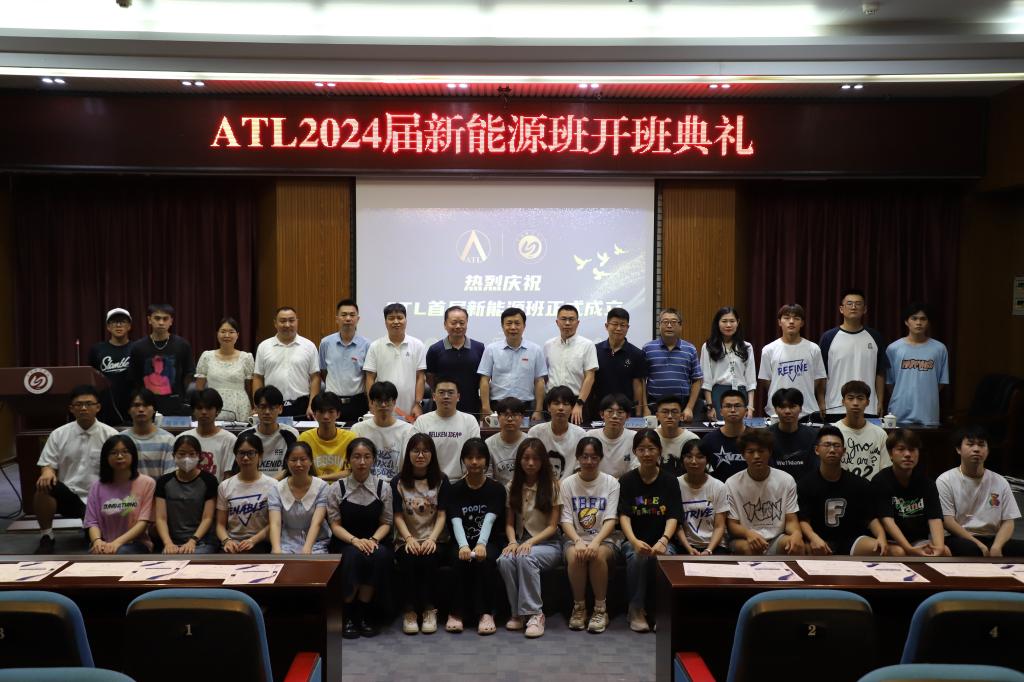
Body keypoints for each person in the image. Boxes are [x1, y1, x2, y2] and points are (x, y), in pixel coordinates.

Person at [34, 385, 119, 553]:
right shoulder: (59, 434)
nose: (84, 408)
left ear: (98, 407)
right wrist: (47, 471)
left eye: (89, 404)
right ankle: (47, 536)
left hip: (101, 498)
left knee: (94, 542)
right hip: (70, 496)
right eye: (79, 404)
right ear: (71, 408)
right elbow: (47, 464)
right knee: (43, 486)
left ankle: (92, 527)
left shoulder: (111, 435)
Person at [327, 438, 394, 638]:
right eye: (356, 457)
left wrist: (372, 540)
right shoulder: (337, 488)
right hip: (346, 540)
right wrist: (355, 541)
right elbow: (335, 525)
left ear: (373, 460)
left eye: (367, 457)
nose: (362, 462)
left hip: (375, 539)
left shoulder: (383, 487)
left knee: (379, 555)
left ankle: (364, 614)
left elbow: (386, 522)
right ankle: (348, 614)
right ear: (348, 460)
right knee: (353, 556)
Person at [617, 429, 682, 633]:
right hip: (633, 540)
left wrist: (664, 540)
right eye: (642, 449)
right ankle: (635, 609)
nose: (646, 454)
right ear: (635, 452)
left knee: (666, 557)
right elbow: (624, 516)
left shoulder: (670, 481)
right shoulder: (627, 480)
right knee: (638, 557)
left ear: (659, 451)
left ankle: (662, 611)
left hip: (663, 540)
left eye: (651, 449)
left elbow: (673, 515)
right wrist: (634, 541)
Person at [498, 438, 563, 638]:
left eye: (536, 459)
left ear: (543, 461)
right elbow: (509, 524)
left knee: (526, 556)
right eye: (526, 458)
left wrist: (529, 543)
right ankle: (517, 613)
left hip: (548, 544)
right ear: (519, 460)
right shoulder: (512, 486)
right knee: (504, 560)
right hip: (519, 541)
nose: (531, 463)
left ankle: (535, 613)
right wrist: (512, 542)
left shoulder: (552, 486)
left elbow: (553, 526)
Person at [446, 438, 507, 636]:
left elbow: (490, 519)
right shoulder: (454, 489)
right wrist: (464, 546)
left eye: (479, 457)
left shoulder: (496, 489)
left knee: (485, 559)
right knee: (458, 559)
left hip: (490, 541)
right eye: (470, 457)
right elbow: (455, 520)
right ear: (463, 460)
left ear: (486, 461)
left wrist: (481, 544)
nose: (474, 462)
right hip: (460, 541)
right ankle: (456, 613)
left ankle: (486, 613)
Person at [560, 437, 621, 634]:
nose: (589, 461)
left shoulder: (611, 483)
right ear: (578, 458)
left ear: (600, 458)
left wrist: (595, 542)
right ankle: (579, 608)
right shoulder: (567, 483)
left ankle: (600, 610)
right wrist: (578, 540)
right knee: (576, 555)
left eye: (594, 457)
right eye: (584, 457)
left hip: (605, 539)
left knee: (597, 555)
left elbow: (610, 519)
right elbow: (565, 520)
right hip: (574, 538)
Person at [392, 434, 451, 635]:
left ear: (432, 454)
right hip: (406, 539)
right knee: (409, 559)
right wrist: (409, 539)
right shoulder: (398, 481)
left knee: (428, 558)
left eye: (425, 451)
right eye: (415, 451)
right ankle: (409, 611)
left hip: (435, 538)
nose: (420, 455)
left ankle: (428, 609)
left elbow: (442, 515)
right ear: (408, 453)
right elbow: (397, 516)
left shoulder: (441, 480)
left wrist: (432, 539)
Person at [798, 425, 886, 556]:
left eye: (837, 446)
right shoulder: (805, 484)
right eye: (827, 445)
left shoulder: (859, 484)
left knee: (882, 549)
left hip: (851, 540)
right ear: (817, 450)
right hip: (819, 541)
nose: (832, 450)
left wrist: (881, 536)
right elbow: (804, 520)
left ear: (844, 451)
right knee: (798, 549)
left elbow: (870, 518)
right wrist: (813, 538)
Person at [937, 426, 1024, 557]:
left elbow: (1008, 521)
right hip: (960, 538)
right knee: (972, 550)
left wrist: (997, 546)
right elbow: (948, 521)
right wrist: (978, 544)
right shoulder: (945, 480)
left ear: (988, 450)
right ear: (958, 449)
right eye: (970, 444)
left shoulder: (1000, 481)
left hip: (992, 538)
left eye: (981, 445)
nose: (976, 449)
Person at [871, 429, 950, 557]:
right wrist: (908, 548)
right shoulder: (880, 481)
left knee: (945, 551)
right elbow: (887, 521)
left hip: (918, 540)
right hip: (890, 540)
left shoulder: (927, 483)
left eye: (912, 449)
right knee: (900, 552)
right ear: (890, 453)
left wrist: (939, 548)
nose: (907, 454)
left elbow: (935, 518)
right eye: (901, 449)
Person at [725, 430, 804, 555]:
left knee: (795, 545)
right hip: (745, 538)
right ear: (743, 454)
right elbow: (732, 525)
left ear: (770, 452)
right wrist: (749, 534)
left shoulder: (786, 480)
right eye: (751, 452)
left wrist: (796, 534)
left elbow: (791, 520)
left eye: (761, 451)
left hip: (776, 538)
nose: (756, 456)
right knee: (749, 549)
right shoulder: (732, 483)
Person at [820, 289, 888, 418]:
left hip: (868, 407)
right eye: (849, 303)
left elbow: (880, 373)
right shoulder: (828, 337)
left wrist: (880, 401)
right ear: (841, 309)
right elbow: (821, 374)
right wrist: (821, 401)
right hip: (835, 407)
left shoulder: (875, 337)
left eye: (858, 304)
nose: (853, 307)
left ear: (865, 309)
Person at [84, 434, 155, 554]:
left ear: (133, 455)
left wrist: (116, 543)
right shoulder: (97, 486)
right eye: (114, 453)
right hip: (105, 543)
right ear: (106, 457)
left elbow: (143, 522)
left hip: (136, 543)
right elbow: (92, 522)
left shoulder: (147, 483)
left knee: (119, 552)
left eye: (125, 452)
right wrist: (97, 541)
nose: (120, 456)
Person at [478, 307, 548, 423]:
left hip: (526, 407)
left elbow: (539, 381)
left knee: (526, 435)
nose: (513, 327)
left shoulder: (535, 350)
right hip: (497, 406)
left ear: (524, 326)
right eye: (509, 323)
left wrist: (538, 410)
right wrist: (485, 407)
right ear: (502, 326)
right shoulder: (491, 349)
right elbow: (484, 380)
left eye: (517, 323)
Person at [758, 304, 827, 420]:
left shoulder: (813, 349)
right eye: (786, 318)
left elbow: (820, 378)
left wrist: (821, 402)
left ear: (802, 323)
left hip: (807, 411)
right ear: (779, 322)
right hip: (778, 411)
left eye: (796, 318)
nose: (791, 322)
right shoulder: (768, 350)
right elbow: (766, 380)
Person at [885, 302, 949, 427]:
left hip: (928, 413)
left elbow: (941, 382)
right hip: (899, 412)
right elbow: (889, 383)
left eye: (923, 319)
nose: (918, 322)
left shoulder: (939, 349)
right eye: (914, 318)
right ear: (906, 322)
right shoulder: (893, 348)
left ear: (928, 322)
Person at [154, 434, 220, 554]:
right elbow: (160, 518)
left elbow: (208, 518)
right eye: (182, 454)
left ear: (199, 456)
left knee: (192, 558)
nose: (186, 458)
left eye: (192, 454)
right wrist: (168, 543)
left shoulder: (209, 481)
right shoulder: (163, 482)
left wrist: (192, 541)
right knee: (168, 559)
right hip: (172, 542)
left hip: (202, 542)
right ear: (173, 456)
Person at [252, 306, 320, 419]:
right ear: (275, 323)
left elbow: (315, 378)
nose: (287, 325)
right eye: (283, 321)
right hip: (271, 406)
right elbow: (258, 377)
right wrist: (257, 405)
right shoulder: (264, 346)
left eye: (291, 320)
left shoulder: (309, 346)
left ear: (297, 322)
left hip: (301, 406)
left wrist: (312, 405)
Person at [363, 302, 427, 422]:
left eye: (400, 318)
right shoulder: (375, 346)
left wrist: (418, 403)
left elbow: (420, 377)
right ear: (385, 322)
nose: (396, 321)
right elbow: (370, 378)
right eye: (391, 318)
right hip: (382, 407)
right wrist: (371, 403)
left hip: (409, 409)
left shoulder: (417, 345)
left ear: (406, 320)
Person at [128, 303, 195, 416]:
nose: (161, 322)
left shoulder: (182, 345)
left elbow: (189, 375)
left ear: (171, 321)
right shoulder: (138, 347)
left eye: (165, 319)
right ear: (149, 320)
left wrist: (185, 400)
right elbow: (134, 379)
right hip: (146, 408)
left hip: (176, 407)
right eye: (157, 318)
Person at [216, 434, 275, 553]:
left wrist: (253, 540)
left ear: (260, 455)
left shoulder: (273, 485)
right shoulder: (225, 486)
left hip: (261, 543)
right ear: (236, 456)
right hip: (232, 544)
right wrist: (226, 540)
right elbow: (220, 525)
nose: (246, 458)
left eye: (251, 453)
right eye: (241, 453)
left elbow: (274, 524)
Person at [413, 376, 481, 480]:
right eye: (441, 392)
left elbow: (475, 452)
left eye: (450, 393)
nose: (446, 396)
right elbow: (413, 453)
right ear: (434, 396)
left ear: (458, 397)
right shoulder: (422, 421)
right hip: (429, 481)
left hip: (462, 481)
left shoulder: (469, 421)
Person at [269, 442, 331, 554]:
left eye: (303, 459)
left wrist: (307, 548)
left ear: (311, 461)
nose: (298, 464)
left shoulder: (322, 487)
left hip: (316, 542)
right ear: (287, 462)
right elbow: (275, 523)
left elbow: (316, 522)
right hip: (286, 542)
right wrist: (276, 549)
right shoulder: (276, 488)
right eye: (293, 460)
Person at [642, 308, 703, 421]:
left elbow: (697, 380)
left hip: (682, 405)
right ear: (659, 325)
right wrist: (645, 408)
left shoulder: (690, 349)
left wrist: (689, 407)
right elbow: (642, 379)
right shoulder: (648, 348)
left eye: (673, 322)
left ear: (680, 326)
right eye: (665, 322)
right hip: (655, 405)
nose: (669, 325)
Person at [425, 305, 486, 417]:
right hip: (443, 405)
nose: (458, 326)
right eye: (453, 323)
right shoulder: (435, 349)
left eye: (462, 323)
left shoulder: (479, 348)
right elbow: (430, 377)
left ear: (467, 323)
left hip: (471, 404)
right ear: (445, 324)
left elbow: (484, 377)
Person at [543, 304, 598, 425]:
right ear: (557, 322)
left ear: (577, 323)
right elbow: (545, 376)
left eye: (571, 319)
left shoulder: (587, 345)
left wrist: (579, 404)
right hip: (552, 401)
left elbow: (590, 376)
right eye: (563, 319)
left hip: (576, 401)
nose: (567, 323)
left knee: (578, 435)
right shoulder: (548, 345)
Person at [318, 298, 370, 424]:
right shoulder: (326, 343)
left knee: (357, 434)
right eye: (344, 315)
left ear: (358, 319)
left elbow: (367, 376)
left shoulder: (367, 344)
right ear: (337, 319)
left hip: (358, 402)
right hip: (331, 402)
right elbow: (323, 371)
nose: (348, 318)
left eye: (352, 315)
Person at [351, 380, 416, 480]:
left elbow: (409, 466)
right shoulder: (358, 429)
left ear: (394, 402)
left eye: (387, 401)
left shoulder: (408, 430)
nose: (383, 405)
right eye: (379, 401)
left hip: (396, 484)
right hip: (366, 483)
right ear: (371, 402)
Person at [700, 307, 756, 420]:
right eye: (724, 321)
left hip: (740, 393)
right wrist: (710, 406)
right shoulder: (708, 346)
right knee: (720, 427)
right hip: (718, 394)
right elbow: (706, 380)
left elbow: (751, 380)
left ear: (738, 322)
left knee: (740, 427)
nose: (728, 325)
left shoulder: (747, 347)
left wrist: (750, 407)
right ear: (718, 323)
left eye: (732, 321)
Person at [194, 316, 254, 422]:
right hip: (212, 405)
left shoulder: (246, 358)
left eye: (231, 332)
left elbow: (250, 388)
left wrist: (254, 407)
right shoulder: (207, 356)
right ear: (217, 334)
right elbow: (199, 389)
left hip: (240, 406)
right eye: (223, 331)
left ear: (237, 335)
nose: (227, 335)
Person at [676, 440, 728, 556]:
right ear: (682, 459)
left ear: (707, 460)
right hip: (685, 545)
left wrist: (708, 550)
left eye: (700, 457)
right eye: (689, 456)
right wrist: (689, 548)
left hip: (715, 545)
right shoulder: (675, 484)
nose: (694, 461)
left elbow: (719, 526)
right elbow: (676, 525)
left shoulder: (719, 486)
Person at [593, 307, 647, 417]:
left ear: (628, 328)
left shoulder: (637, 354)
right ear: (606, 326)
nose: (618, 328)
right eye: (615, 324)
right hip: (599, 410)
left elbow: (637, 386)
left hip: (625, 412)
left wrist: (638, 413)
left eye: (623, 325)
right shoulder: (594, 350)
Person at [238, 385, 299, 478]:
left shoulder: (291, 434)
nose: (267, 412)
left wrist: (271, 483)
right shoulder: (244, 436)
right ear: (255, 408)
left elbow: (292, 467)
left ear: (280, 409)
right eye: (262, 407)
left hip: (282, 483)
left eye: (272, 407)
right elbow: (240, 469)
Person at [835, 380, 891, 481]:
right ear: (843, 402)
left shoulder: (880, 434)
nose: (855, 403)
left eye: (860, 398)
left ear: (867, 402)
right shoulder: (833, 431)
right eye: (850, 398)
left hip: (872, 488)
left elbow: (886, 470)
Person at [527, 385, 585, 479]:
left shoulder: (581, 435)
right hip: (541, 484)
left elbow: (580, 469)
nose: (561, 408)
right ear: (548, 407)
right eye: (556, 403)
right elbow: (530, 464)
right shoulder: (535, 432)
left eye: (565, 404)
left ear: (572, 408)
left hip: (569, 485)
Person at [88, 307, 133, 426]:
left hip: (131, 406)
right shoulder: (97, 349)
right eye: (114, 322)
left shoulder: (136, 349)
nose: (118, 325)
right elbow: (92, 379)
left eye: (122, 322)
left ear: (129, 326)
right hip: (104, 407)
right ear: (108, 327)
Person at [298, 391, 356, 483]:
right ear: (314, 414)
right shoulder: (305, 438)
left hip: (341, 487)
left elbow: (350, 471)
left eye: (331, 411)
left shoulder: (350, 437)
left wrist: (319, 479)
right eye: (321, 411)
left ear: (338, 414)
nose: (326, 416)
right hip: (313, 487)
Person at [181, 388, 237, 480]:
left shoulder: (230, 440)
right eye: (199, 408)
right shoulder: (182, 438)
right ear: (193, 411)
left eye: (209, 408)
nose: (204, 412)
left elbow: (229, 476)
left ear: (218, 411)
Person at [767, 388, 819, 481]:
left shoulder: (814, 435)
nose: (787, 411)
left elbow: (815, 468)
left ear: (801, 408)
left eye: (792, 406)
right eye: (782, 407)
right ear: (775, 410)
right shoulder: (765, 436)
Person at [124, 388, 175, 480]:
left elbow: (169, 477)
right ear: (129, 410)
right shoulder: (121, 439)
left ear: (154, 409)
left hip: (159, 489)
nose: (141, 409)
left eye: (146, 405)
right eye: (136, 405)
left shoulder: (168, 440)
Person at [700, 389, 749, 482]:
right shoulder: (709, 440)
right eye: (728, 406)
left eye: (737, 406)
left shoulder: (756, 438)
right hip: (718, 489)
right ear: (721, 411)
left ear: (746, 411)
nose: (733, 410)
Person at [586, 393, 638, 479]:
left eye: (620, 412)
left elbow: (635, 469)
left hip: (625, 484)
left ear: (628, 416)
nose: (614, 416)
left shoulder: (634, 437)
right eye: (610, 411)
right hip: (597, 483)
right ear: (602, 414)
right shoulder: (590, 436)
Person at [653, 395, 700, 476]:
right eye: (665, 412)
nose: (670, 416)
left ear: (681, 416)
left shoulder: (692, 439)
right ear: (657, 416)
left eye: (674, 412)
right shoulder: (650, 437)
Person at [486, 397, 528, 486]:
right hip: (498, 491)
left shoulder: (529, 442)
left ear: (522, 417)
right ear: (498, 417)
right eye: (505, 414)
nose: (509, 419)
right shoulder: (489, 443)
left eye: (514, 415)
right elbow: (488, 477)